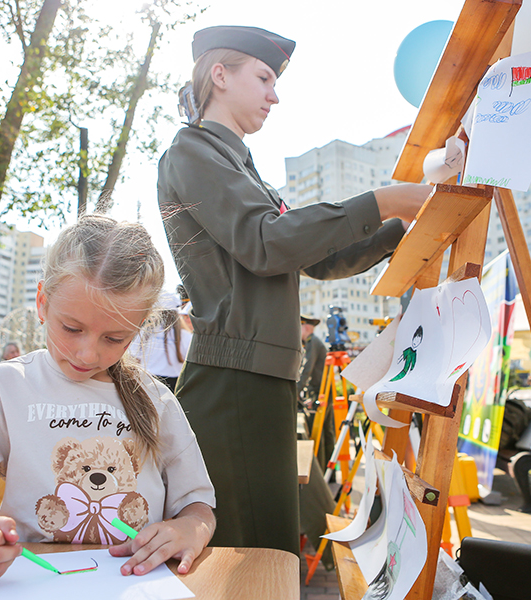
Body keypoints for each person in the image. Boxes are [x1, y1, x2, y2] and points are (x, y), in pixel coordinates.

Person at [157, 25, 432, 555]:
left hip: (258, 376)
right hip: (236, 378)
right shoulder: (192, 151)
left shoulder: (242, 170)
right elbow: (266, 242)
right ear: (220, 74)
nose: (274, 94)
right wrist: (384, 200)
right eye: (263, 77)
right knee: (257, 555)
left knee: (267, 549)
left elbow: (322, 258)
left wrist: (403, 220)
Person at [0, 215, 215, 589]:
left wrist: (188, 531)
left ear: (138, 328)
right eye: (72, 329)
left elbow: (198, 509)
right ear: (43, 303)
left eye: (114, 338)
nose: (88, 353)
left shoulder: (156, 400)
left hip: (137, 584)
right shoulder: (5, 388)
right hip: (31, 584)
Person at [128, 294, 193, 392]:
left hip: (148, 381)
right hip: (175, 384)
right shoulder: (184, 335)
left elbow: (134, 357)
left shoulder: (146, 332)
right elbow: (189, 361)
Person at [297, 315, 333, 467]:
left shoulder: (313, 343)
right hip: (324, 390)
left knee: (318, 432)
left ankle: (321, 469)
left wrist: (296, 390)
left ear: (305, 327)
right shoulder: (316, 342)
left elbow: (307, 369)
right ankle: (328, 472)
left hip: (318, 392)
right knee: (327, 431)